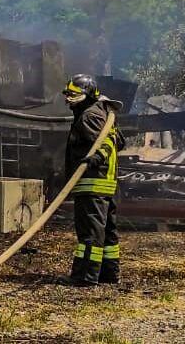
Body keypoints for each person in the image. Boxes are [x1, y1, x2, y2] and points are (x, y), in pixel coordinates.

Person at [63, 73, 126, 286]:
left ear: (87, 95)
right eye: (67, 93)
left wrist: (95, 158)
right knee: (107, 234)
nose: (68, 99)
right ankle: (109, 274)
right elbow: (119, 141)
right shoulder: (102, 113)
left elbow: (107, 143)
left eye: (73, 94)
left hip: (92, 183)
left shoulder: (89, 116)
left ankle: (85, 276)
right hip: (107, 185)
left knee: (90, 234)